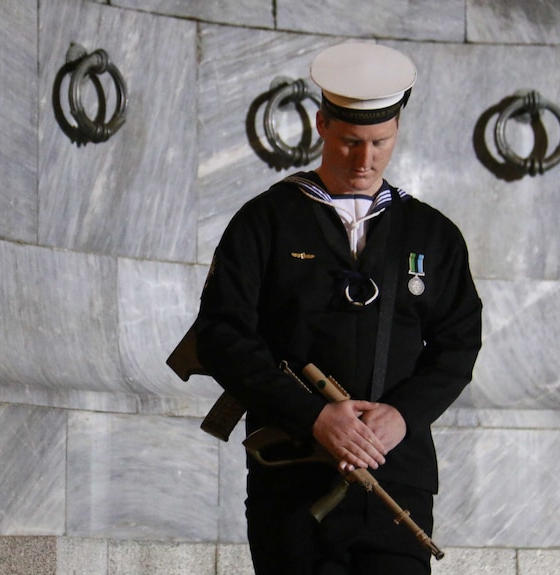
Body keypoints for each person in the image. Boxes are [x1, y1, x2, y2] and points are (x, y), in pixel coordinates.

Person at [193, 42, 483, 575]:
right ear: (322, 124)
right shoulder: (266, 220)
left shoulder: (433, 234)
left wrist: (403, 416)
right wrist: (315, 416)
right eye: (351, 141)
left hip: (396, 479)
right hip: (293, 482)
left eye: (380, 142)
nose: (365, 159)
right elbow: (221, 335)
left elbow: (458, 346)